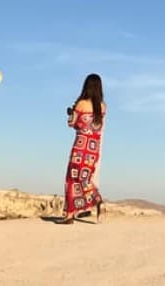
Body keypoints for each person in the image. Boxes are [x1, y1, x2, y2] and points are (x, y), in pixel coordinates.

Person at [60, 73, 106, 225]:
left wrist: (71, 114)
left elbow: (72, 123)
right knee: (86, 179)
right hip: (94, 149)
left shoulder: (81, 104)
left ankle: (70, 214)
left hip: (81, 146)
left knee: (72, 179)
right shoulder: (103, 107)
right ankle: (98, 201)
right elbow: (98, 127)